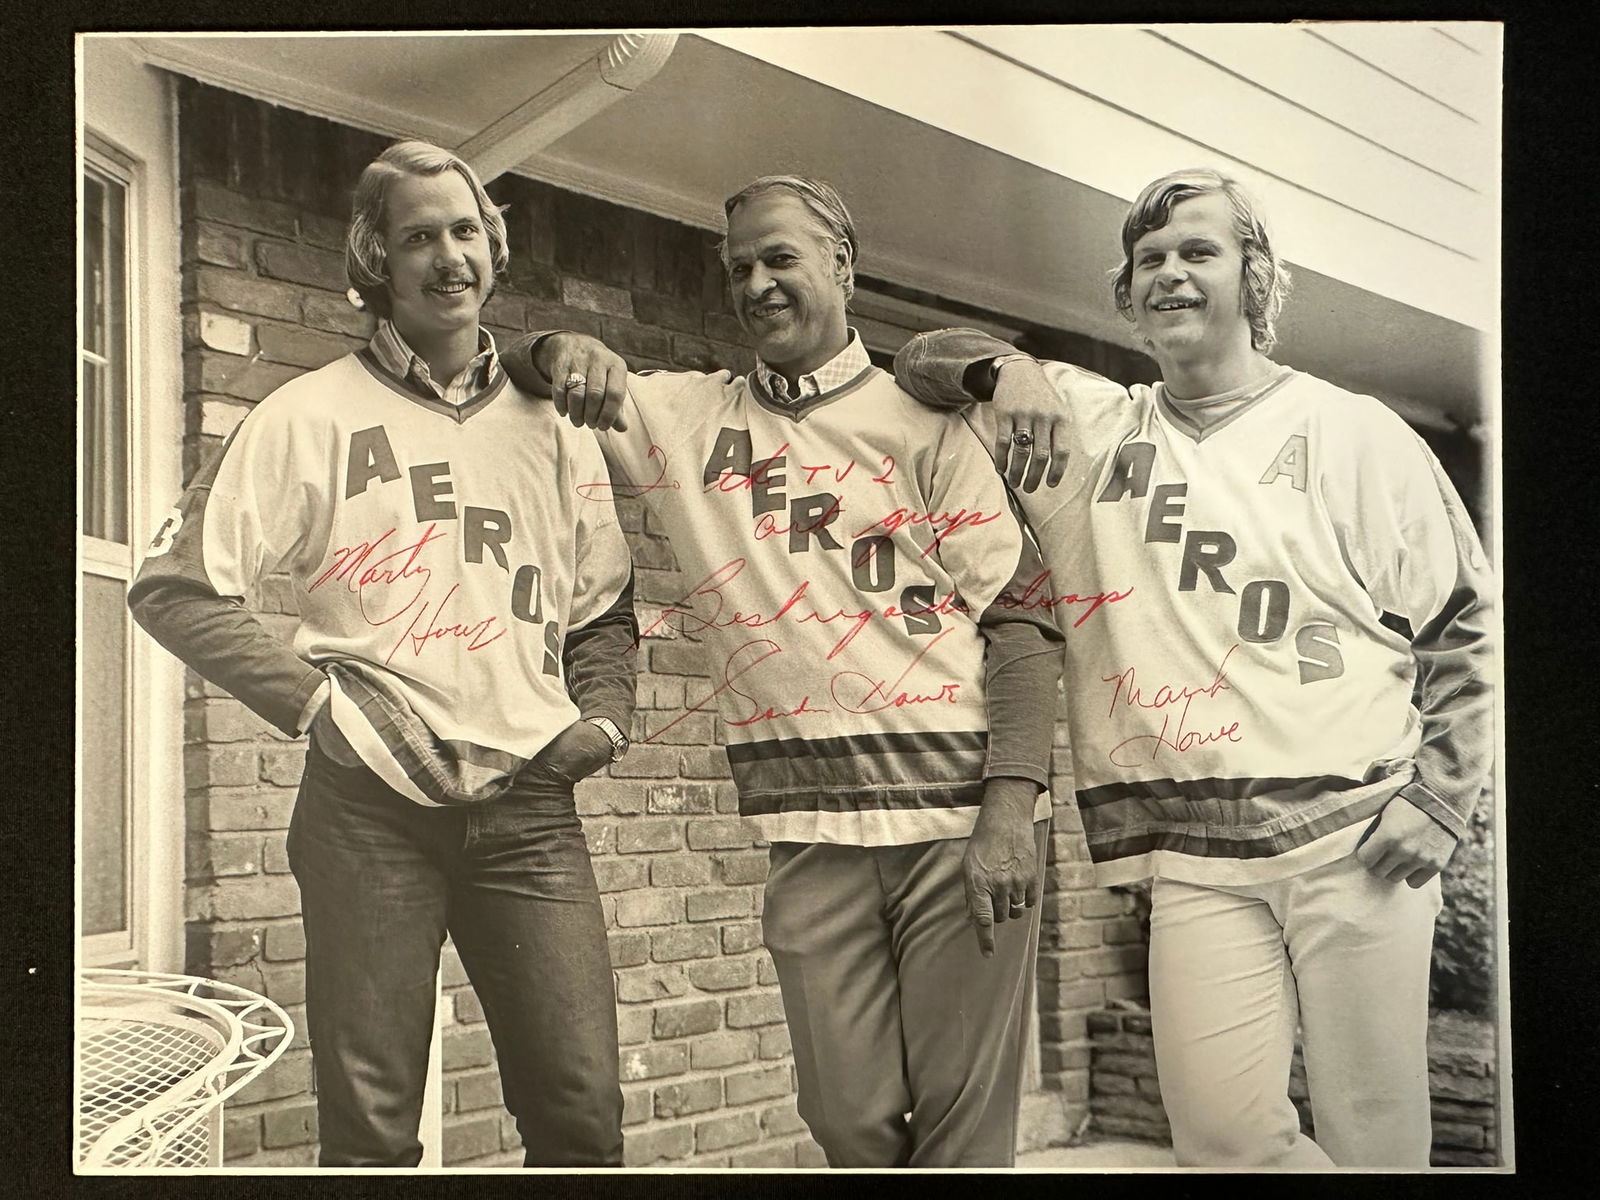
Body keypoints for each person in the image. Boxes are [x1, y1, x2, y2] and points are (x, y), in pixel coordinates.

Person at [891, 168, 1495, 1169]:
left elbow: (1464, 622)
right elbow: (918, 359)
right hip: (1191, 856)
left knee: (1376, 1137)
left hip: (1355, 835)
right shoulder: (1092, 424)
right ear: (1128, 294)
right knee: (1218, 1140)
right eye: (1148, 261)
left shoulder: (1352, 430)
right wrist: (1008, 368)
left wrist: (1439, 799)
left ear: (1256, 278)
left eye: (1198, 252)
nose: (1169, 274)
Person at [500, 176, 1065, 1167]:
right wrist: (560, 348)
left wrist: (1010, 815)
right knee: (845, 1121)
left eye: (780, 259)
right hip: (809, 830)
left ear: (842, 265)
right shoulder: (686, 419)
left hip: (960, 822)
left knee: (960, 1136)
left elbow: (1021, 620)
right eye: (738, 269)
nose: (757, 283)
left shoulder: (921, 418)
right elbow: (528, 366)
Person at [128, 140, 637, 1167]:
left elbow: (604, 610)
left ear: (493, 249)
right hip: (367, 813)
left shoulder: (556, 428)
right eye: (416, 238)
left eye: (464, 232)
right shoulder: (305, 415)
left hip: (531, 807)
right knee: (370, 1128)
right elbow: (174, 589)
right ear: (374, 262)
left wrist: (602, 718)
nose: (447, 259)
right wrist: (322, 713)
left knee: (580, 1114)